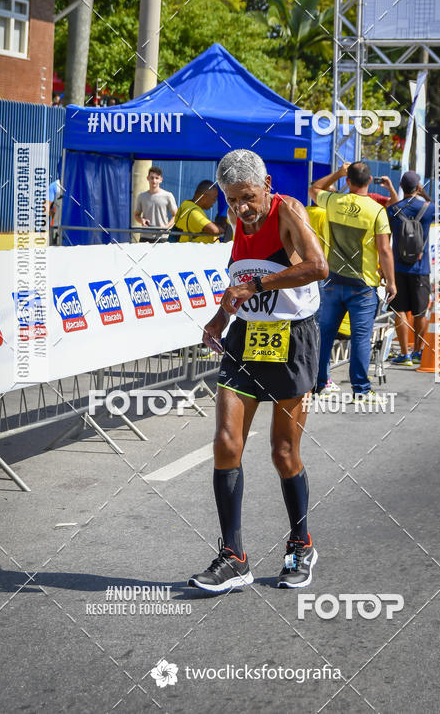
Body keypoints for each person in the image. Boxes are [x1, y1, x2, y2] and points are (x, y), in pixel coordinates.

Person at [189, 150, 328, 593]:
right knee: (226, 443)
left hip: (292, 338)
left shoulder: (289, 211)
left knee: (283, 452)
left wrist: (255, 286)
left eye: (247, 197)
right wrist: (219, 319)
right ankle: (234, 557)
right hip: (246, 337)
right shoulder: (239, 223)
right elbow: (239, 282)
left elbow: (318, 266)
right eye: (232, 200)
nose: (241, 208)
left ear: (266, 185)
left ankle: (300, 545)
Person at [309, 161, 396, 397]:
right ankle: (361, 390)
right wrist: (391, 281)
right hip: (363, 285)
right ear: (369, 181)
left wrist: (337, 173)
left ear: (347, 181)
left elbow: (314, 189)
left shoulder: (333, 201)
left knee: (325, 334)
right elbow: (385, 250)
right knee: (361, 338)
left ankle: (320, 383)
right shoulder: (376, 211)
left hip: (333, 281)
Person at [386, 171, 436, 365]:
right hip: (421, 269)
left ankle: (404, 354)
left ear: (401, 186)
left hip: (398, 268)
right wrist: (423, 194)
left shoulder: (393, 210)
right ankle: (417, 351)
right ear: (418, 187)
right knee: (420, 312)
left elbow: (385, 241)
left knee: (399, 310)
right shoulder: (429, 208)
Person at [134, 166, 177, 243]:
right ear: (147, 178)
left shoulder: (168, 196)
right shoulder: (141, 196)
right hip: (145, 237)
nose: (154, 181)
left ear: (161, 180)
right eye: (152, 178)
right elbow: (136, 215)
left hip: (162, 237)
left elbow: (176, 216)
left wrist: (166, 227)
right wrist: (142, 220)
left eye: (157, 178)